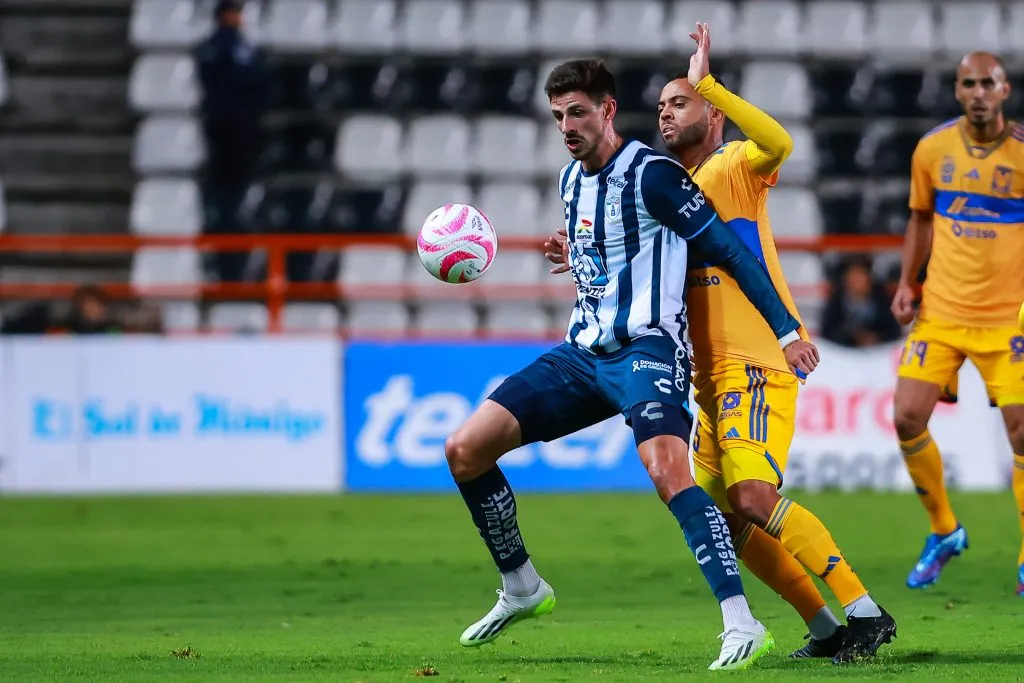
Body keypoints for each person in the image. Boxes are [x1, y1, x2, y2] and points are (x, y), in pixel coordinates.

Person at [448, 58, 819, 671]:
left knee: (669, 474)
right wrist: (576, 252)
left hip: (647, 350)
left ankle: (742, 622)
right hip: (581, 353)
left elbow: (729, 249)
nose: (567, 125)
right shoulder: (571, 180)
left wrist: (785, 331)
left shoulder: (656, 176)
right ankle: (522, 586)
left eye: (579, 112)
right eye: (558, 115)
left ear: (608, 110)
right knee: (464, 449)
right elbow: (612, 247)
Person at [546, 25, 894, 664]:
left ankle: (865, 610)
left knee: (754, 498)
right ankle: (824, 629)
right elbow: (629, 260)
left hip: (755, 362)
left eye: (680, 103)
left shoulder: (734, 167)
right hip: (705, 376)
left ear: (711, 112)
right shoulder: (654, 187)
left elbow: (779, 141)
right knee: (724, 518)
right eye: (661, 107)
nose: (667, 114)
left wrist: (710, 83)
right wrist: (580, 251)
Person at [890, 51, 1024, 595]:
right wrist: (907, 282)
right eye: (968, 83)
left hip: (1006, 320)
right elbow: (920, 219)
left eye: (986, 83)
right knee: (905, 417)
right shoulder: (932, 149)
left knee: (1021, 432)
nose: (977, 93)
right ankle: (945, 531)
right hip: (942, 312)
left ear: (1005, 90)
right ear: (957, 90)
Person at [821, 256, 903, 348]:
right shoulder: (836, 302)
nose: (856, 281)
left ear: (868, 278)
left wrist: (876, 338)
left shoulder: (882, 300)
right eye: (852, 276)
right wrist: (853, 337)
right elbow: (827, 332)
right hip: (844, 353)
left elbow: (893, 331)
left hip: (878, 352)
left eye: (860, 276)